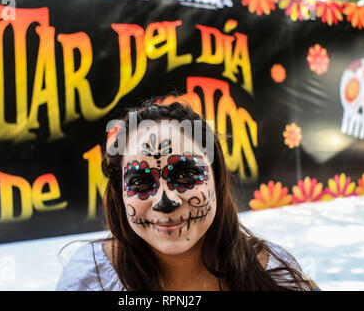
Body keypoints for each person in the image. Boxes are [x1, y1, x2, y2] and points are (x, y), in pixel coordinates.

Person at [56, 98, 319, 291]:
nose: (165, 201)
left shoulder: (272, 275)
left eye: (185, 175)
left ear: (216, 178)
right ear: (120, 195)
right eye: (141, 181)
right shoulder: (90, 281)